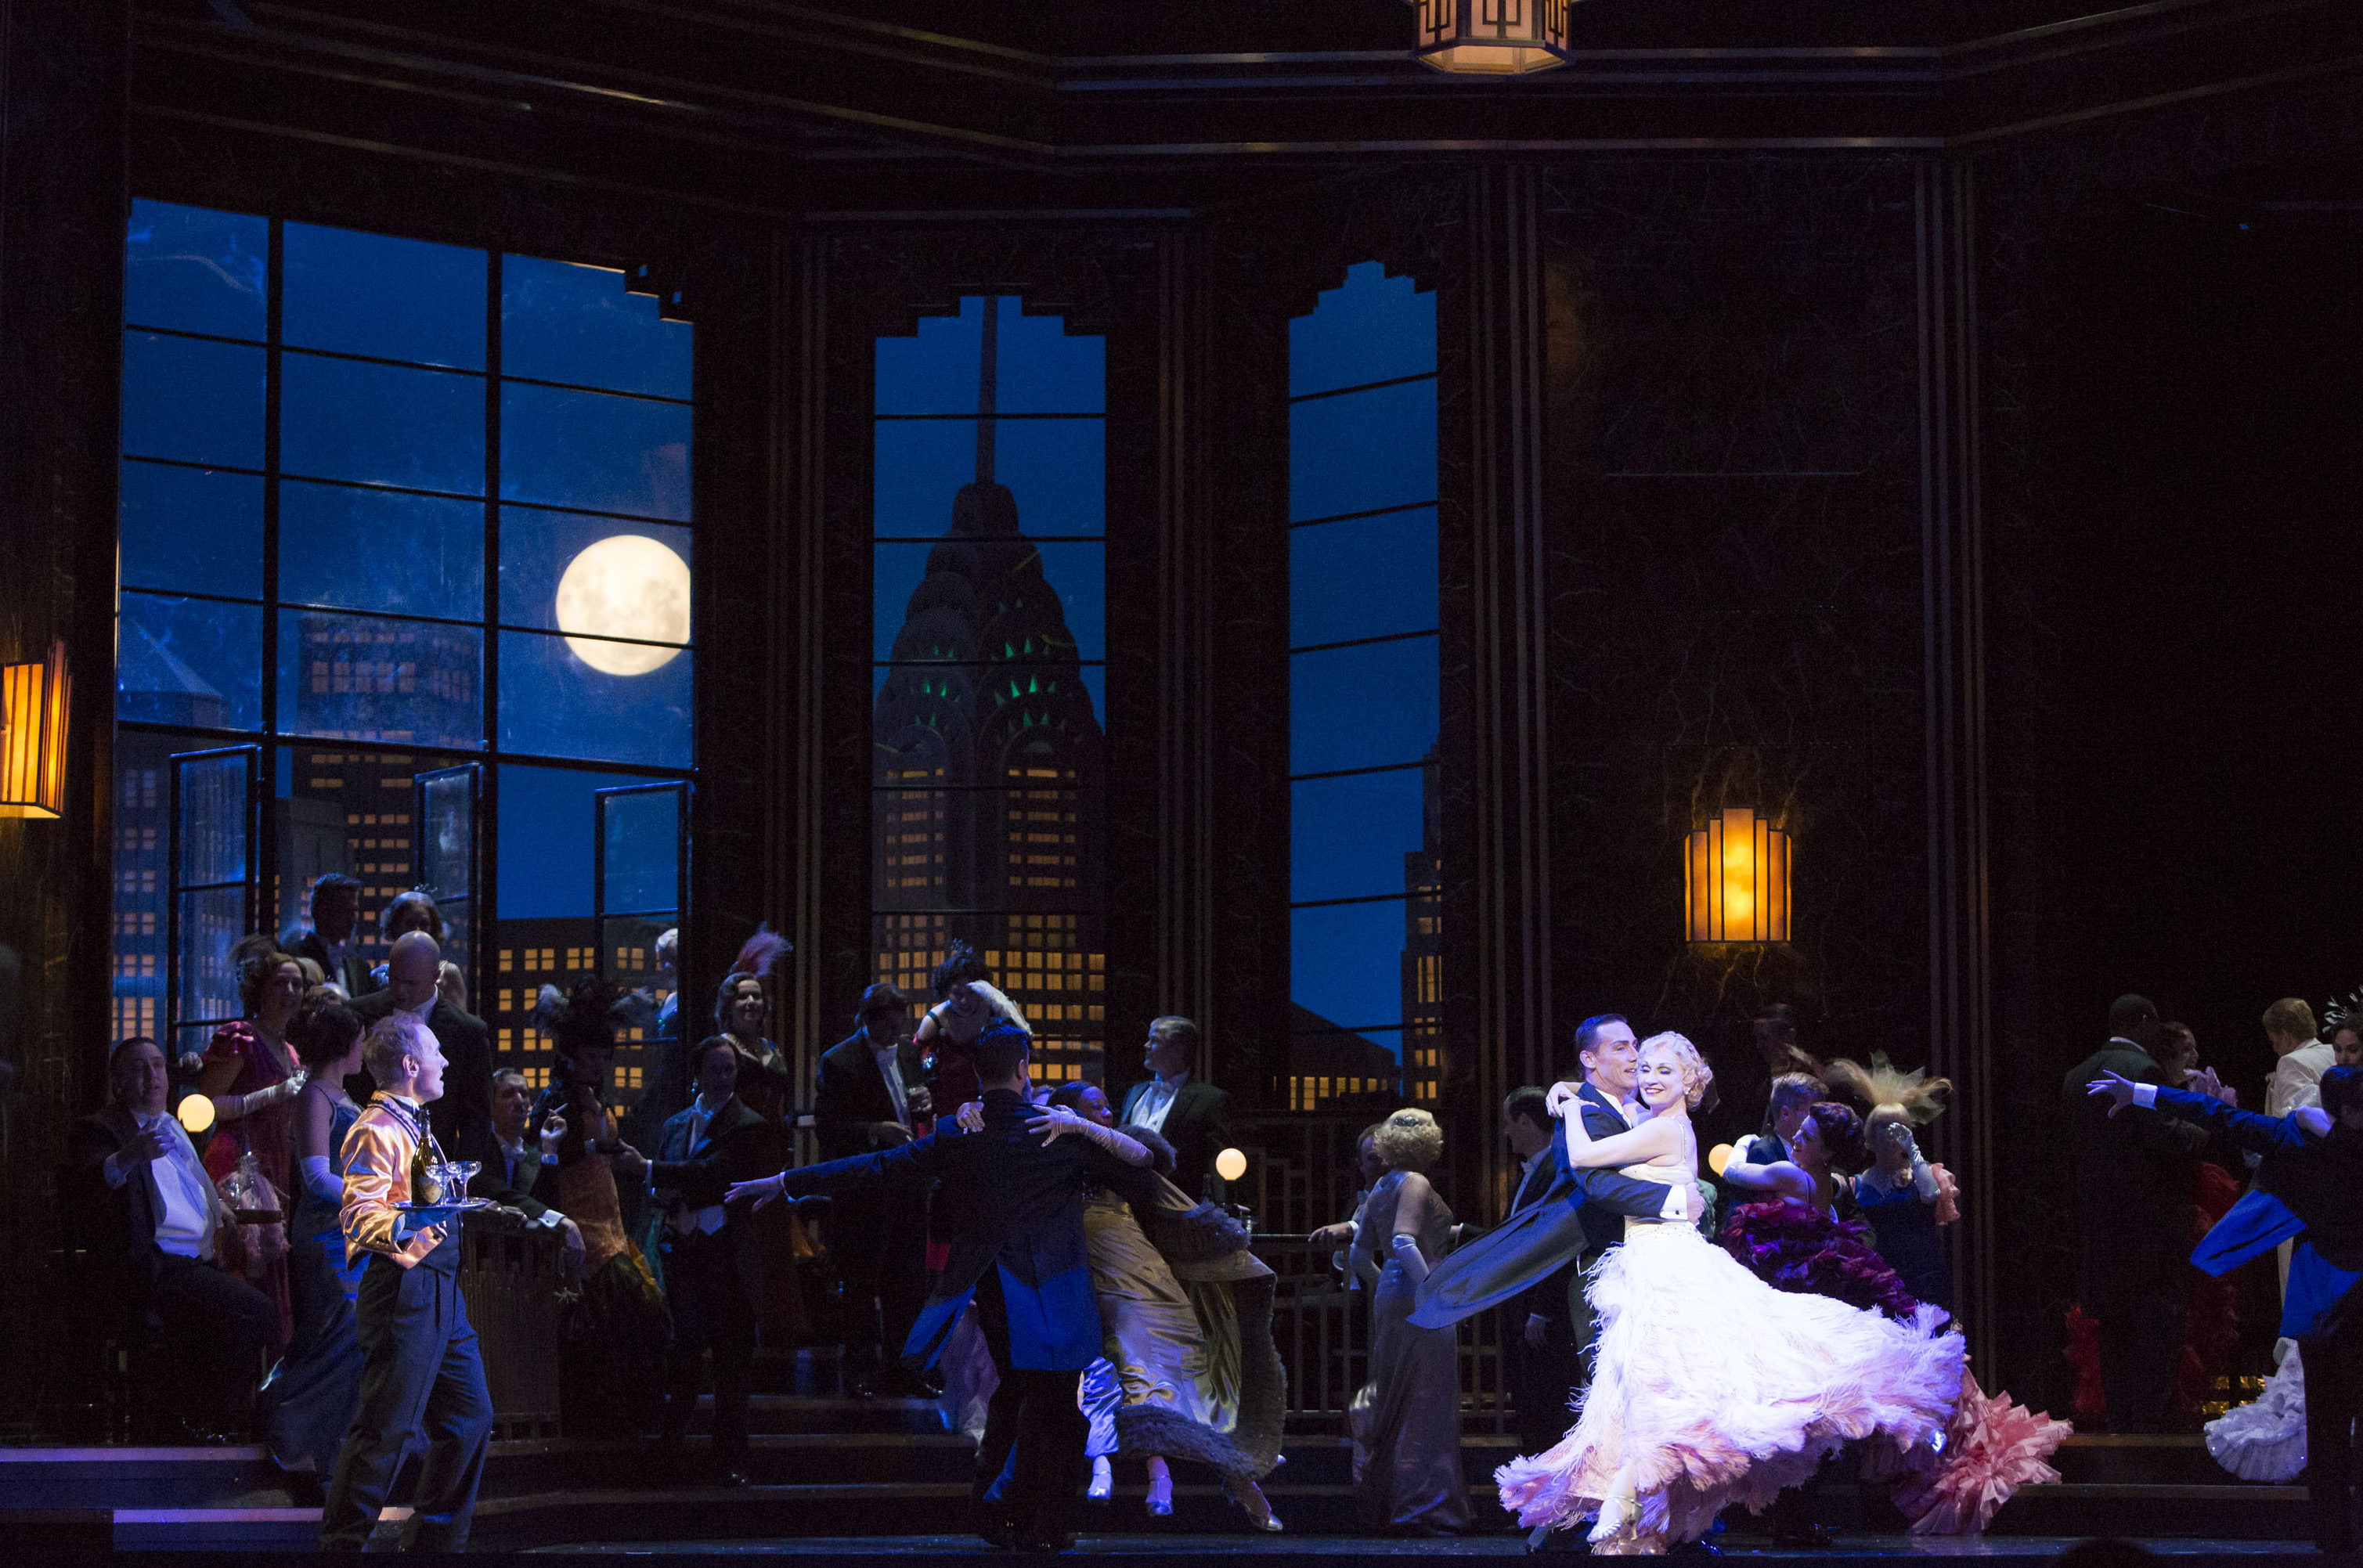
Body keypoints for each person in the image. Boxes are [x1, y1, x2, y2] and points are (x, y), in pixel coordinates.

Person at [1499, 1033, 1962, 1555]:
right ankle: (1644, 1514)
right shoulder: (1652, 1119)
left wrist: (1569, 1105)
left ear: (1689, 1080)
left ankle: (1631, 1511)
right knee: (1650, 1390)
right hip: (1649, 1260)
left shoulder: (1666, 1129)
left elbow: (1586, 1156)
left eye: (1664, 1071)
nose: (1649, 1078)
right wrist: (1575, 1088)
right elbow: (1618, 1110)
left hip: (1666, 1265)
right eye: (1645, 1068)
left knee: (1658, 1387)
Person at [728, 1023, 1153, 1553]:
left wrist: (787, 1181)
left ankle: (1001, 1507)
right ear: (1024, 1068)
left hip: (997, 1286)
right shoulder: (1058, 1132)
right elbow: (1145, 1164)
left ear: (976, 1072)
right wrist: (1084, 1128)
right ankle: (1040, 1523)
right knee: (1055, 1403)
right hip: (1057, 1287)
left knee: (1018, 1393)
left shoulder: (962, 1130)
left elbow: (881, 1164)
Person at [2089, 1063, 2363, 1554]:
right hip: (2341, 1308)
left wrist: (2143, 1094)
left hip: (2325, 1305)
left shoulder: (2299, 1140)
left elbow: (2219, 1116)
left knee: (2326, 1426)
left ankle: (2334, 1537)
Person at [1035, 1082, 1284, 1530]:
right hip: (1104, 1282)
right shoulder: (1054, 1156)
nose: (1107, 1113)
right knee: (1138, 1371)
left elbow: (1146, 1157)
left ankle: (1239, 1476)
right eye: (1095, 1107)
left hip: (1151, 1275)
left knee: (1188, 1374)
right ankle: (1159, 1475)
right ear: (1067, 1110)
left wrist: (1082, 1126)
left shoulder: (1116, 1151)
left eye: (1108, 1106)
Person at [1410, 1015, 1695, 1361]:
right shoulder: (1589, 1114)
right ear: (1589, 1059)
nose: (1635, 1056)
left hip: (1644, 1255)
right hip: (1601, 1261)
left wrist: (1567, 1087)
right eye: (1621, 1048)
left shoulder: (1626, 1111)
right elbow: (1594, 1182)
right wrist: (1675, 1199)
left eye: (1635, 1046)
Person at [319, 1013, 493, 1553]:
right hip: (404, 1288)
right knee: (387, 1427)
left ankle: (436, 1547)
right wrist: (415, 1218)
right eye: (437, 1052)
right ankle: (341, 1547)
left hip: (439, 1288)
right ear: (412, 1064)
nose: (446, 1061)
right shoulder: (375, 1127)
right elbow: (360, 1214)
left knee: (469, 1416)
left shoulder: (415, 1123)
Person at [65, 1037, 281, 1441]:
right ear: (118, 1083)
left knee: (253, 1303)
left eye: (158, 1066)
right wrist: (130, 1155)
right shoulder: (102, 1128)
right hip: (150, 1267)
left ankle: (198, 1419)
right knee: (255, 1311)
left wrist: (219, 1209)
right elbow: (89, 1183)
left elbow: (188, 1187)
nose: (153, 1077)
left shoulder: (172, 1124)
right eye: (139, 1069)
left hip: (195, 1262)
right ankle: (208, 1421)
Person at [623, 1035, 769, 1485]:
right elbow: (669, 1186)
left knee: (731, 1360)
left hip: (725, 1253)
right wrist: (659, 1191)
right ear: (699, 1073)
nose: (724, 1078)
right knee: (684, 1351)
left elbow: (714, 1175)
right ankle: (670, 1450)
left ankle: (730, 1459)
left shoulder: (748, 1124)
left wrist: (649, 1169)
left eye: (730, 1069)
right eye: (715, 1069)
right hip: (683, 1250)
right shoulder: (676, 1124)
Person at [529, 982, 668, 1439]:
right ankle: (608, 1416)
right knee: (621, 1312)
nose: (598, 1064)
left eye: (603, 1056)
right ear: (571, 1056)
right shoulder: (556, 1101)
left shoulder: (596, 1098)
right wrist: (590, 1147)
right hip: (581, 1222)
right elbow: (544, 1159)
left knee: (632, 1315)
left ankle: (628, 1413)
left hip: (610, 1220)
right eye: (590, 1056)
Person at [2058, 994, 2202, 1433]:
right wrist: (2207, 1122)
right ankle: (2151, 1429)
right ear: (2142, 1022)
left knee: (2114, 1329)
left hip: (2099, 1223)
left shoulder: (2075, 1076)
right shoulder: (2143, 1070)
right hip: (2150, 1223)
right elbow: (2166, 1139)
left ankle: (2120, 1426)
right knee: (2157, 1324)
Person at [1349, 1107, 1471, 1536]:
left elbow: (1358, 1256)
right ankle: (1422, 1509)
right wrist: (1430, 1292)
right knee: (1425, 1401)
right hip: (1421, 1295)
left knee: (1398, 1398)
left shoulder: (1382, 1185)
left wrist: (1389, 1287)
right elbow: (1404, 1240)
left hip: (1392, 1295)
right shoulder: (1415, 1182)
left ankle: (1389, 1502)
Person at [262, 993, 369, 1480]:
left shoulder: (345, 1098)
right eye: (360, 1040)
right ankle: (288, 1425)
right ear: (344, 1045)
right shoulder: (314, 1097)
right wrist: (374, 1197)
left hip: (353, 1231)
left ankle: (330, 1449)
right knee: (338, 1331)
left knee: (355, 1335)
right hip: (327, 1233)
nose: (364, 1049)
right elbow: (317, 1178)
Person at [816, 982, 933, 1397]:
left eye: (899, 1026)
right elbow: (828, 1131)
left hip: (907, 1183)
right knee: (861, 1284)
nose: (894, 1035)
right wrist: (873, 1131)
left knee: (907, 1283)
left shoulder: (908, 1055)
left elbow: (917, 1106)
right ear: (867, 1020)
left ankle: (903, 1370)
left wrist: (925, 1106)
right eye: (887, 1027)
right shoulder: (839, 1061)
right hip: (863, 1190)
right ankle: (860, 1371)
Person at [194, 935, 312, 1337]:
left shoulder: (290, 1051)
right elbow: (208, 1105)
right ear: (260, 989)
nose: (290, 991)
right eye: (280, 983)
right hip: (237, 1162)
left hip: (275, 1162)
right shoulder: (241, 1036)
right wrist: (270, 1095)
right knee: (242, 1267)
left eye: (297, 984)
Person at [351, 931, 496, 1169]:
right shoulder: (360, 1014)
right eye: (394, 979)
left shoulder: (468, 1032)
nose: (399, 991)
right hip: (368, 1158)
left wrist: (458, 1178)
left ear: (435, 976)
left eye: (411, 983)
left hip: (435, 1169)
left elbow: (476, 1119)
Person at [1499, 1087, 1584, 1460]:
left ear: (1524, 1121)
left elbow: (1555, 1245)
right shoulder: (1531, 1172)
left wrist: (1541, 1309)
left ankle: (1553, 1485)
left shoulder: (1555, 1169)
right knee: (1529, 1403)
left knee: (1549, 1404)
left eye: (1509, 1123)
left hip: (1543, 1311)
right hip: (1522, 1306)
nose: (1506, 1132)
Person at [474, 1069, 583, 1270]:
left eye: (524, 1094)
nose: (519, 1101)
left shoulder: (532, 1155)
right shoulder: (477, 1150)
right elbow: (503, 1194)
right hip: (480, 1263)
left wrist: (550, 1148)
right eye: (508, 1094)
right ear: (491, 1105)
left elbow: (544, 1204)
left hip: (523, 1267)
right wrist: (564, 1222)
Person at [1119, 1016, 1232, 1201]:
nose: (1146, 1046)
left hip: (1179, 1206)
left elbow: (1218, 1159)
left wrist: (1219, 1206)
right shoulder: (1134, 1093)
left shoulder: (1210, 1100)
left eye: (1155, 1041)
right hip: (1128, 1203)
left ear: (1178, 1049)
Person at [912, 940, 1027, 1114]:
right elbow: (916, 1064)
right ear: (946, 991)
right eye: (957, 994)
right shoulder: (934, 1021)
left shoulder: (996, 1014)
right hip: (945, 1105)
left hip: (989, 1105)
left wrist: (1005, 1007)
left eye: (971, 992)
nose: (964, 1001)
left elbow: (1024, 1048)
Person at [284, 874, 371, 998]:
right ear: (322, 911)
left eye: (355, 911)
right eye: (346, 911)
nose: (354, 919)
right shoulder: (292, 959)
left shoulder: (360, 966)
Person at [2264, 997, 2334, 1118]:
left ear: (2286, 1036)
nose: (2275, 1048)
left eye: (2274, 1041)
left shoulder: (2291, 1062)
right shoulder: (2333, 1051)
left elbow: (2296, 1119)